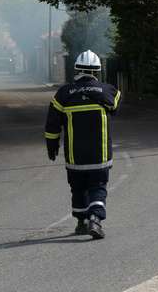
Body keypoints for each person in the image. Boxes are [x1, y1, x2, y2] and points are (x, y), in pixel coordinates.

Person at [43, 50, 121, 240]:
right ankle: (95, 218)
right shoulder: (107, 91)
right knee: (98, 186)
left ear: (75, 69)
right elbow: (116, 106)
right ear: (97, 71)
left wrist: (51, 144)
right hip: (100, 154)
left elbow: (52, 124)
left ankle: (81, 223)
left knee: (78, 188)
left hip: (75, 156)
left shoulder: (63, 94)